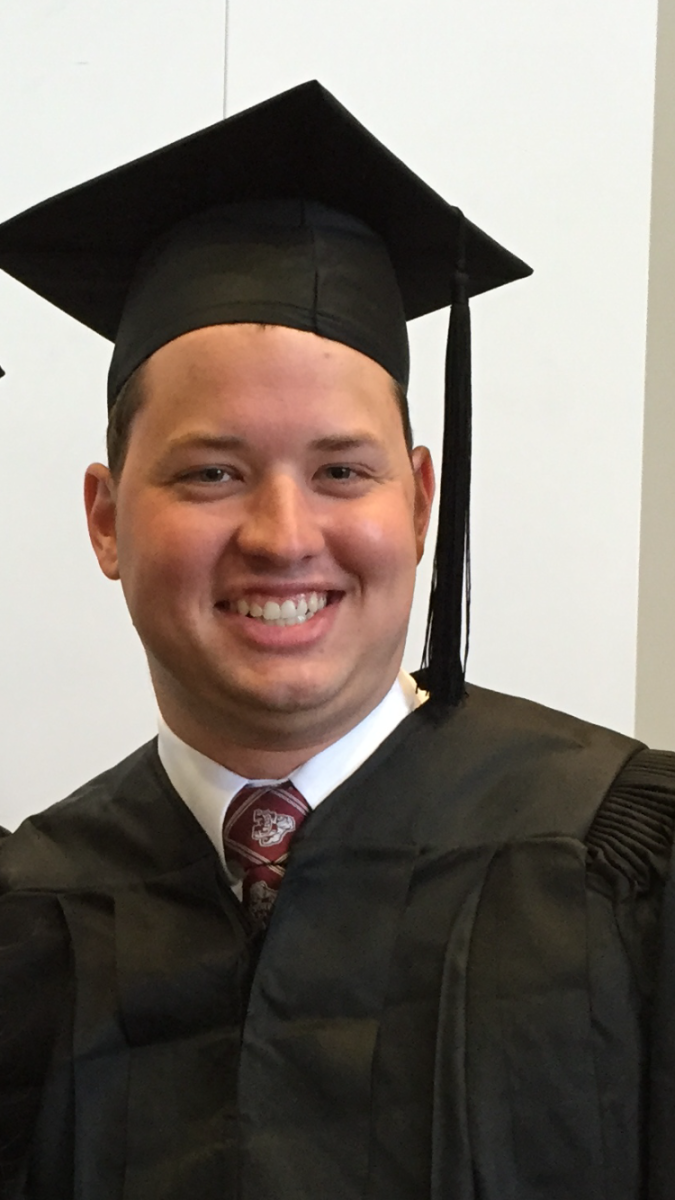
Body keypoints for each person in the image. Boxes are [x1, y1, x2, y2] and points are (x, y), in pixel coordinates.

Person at [0, 81, 674, 1200]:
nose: (280, 534)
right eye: (210, 473)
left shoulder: (620, 869)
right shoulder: (31, 916)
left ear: (417, 503)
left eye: (341, 473)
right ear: (107, 518)